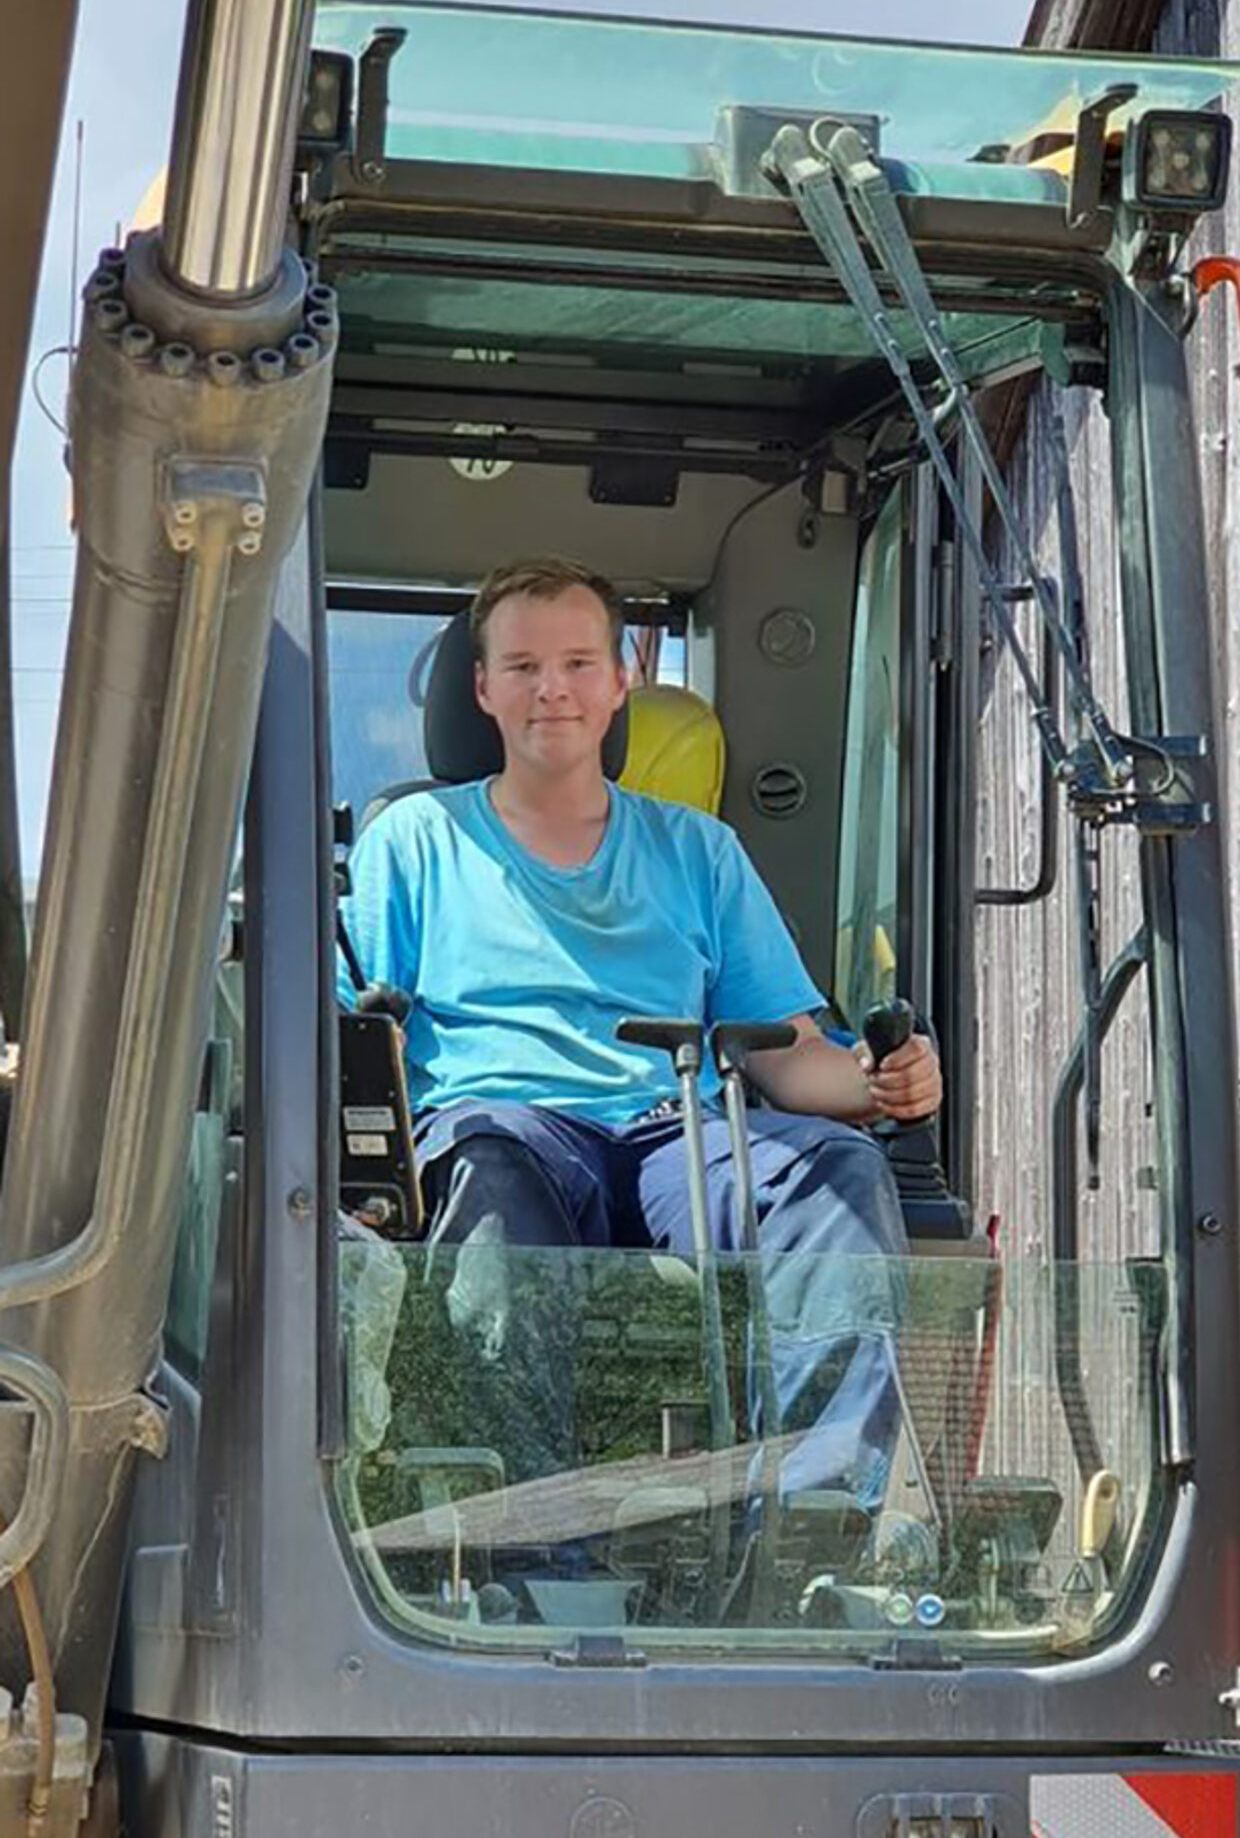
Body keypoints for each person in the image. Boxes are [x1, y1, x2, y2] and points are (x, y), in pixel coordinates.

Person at [341, 554, 941, 1555]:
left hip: (673, 1131)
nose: (553, 689)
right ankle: (523, 1547)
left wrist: (877, 1083)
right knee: (490, 1189)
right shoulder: (412, 841)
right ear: (481, 688)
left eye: (579, 661)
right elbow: (347, 1040)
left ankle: (817, 1518)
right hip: (503, 1129)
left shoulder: (696, 852)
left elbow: (785, 1052)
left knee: (836, 1168)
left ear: (621, 680)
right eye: (522, 665)